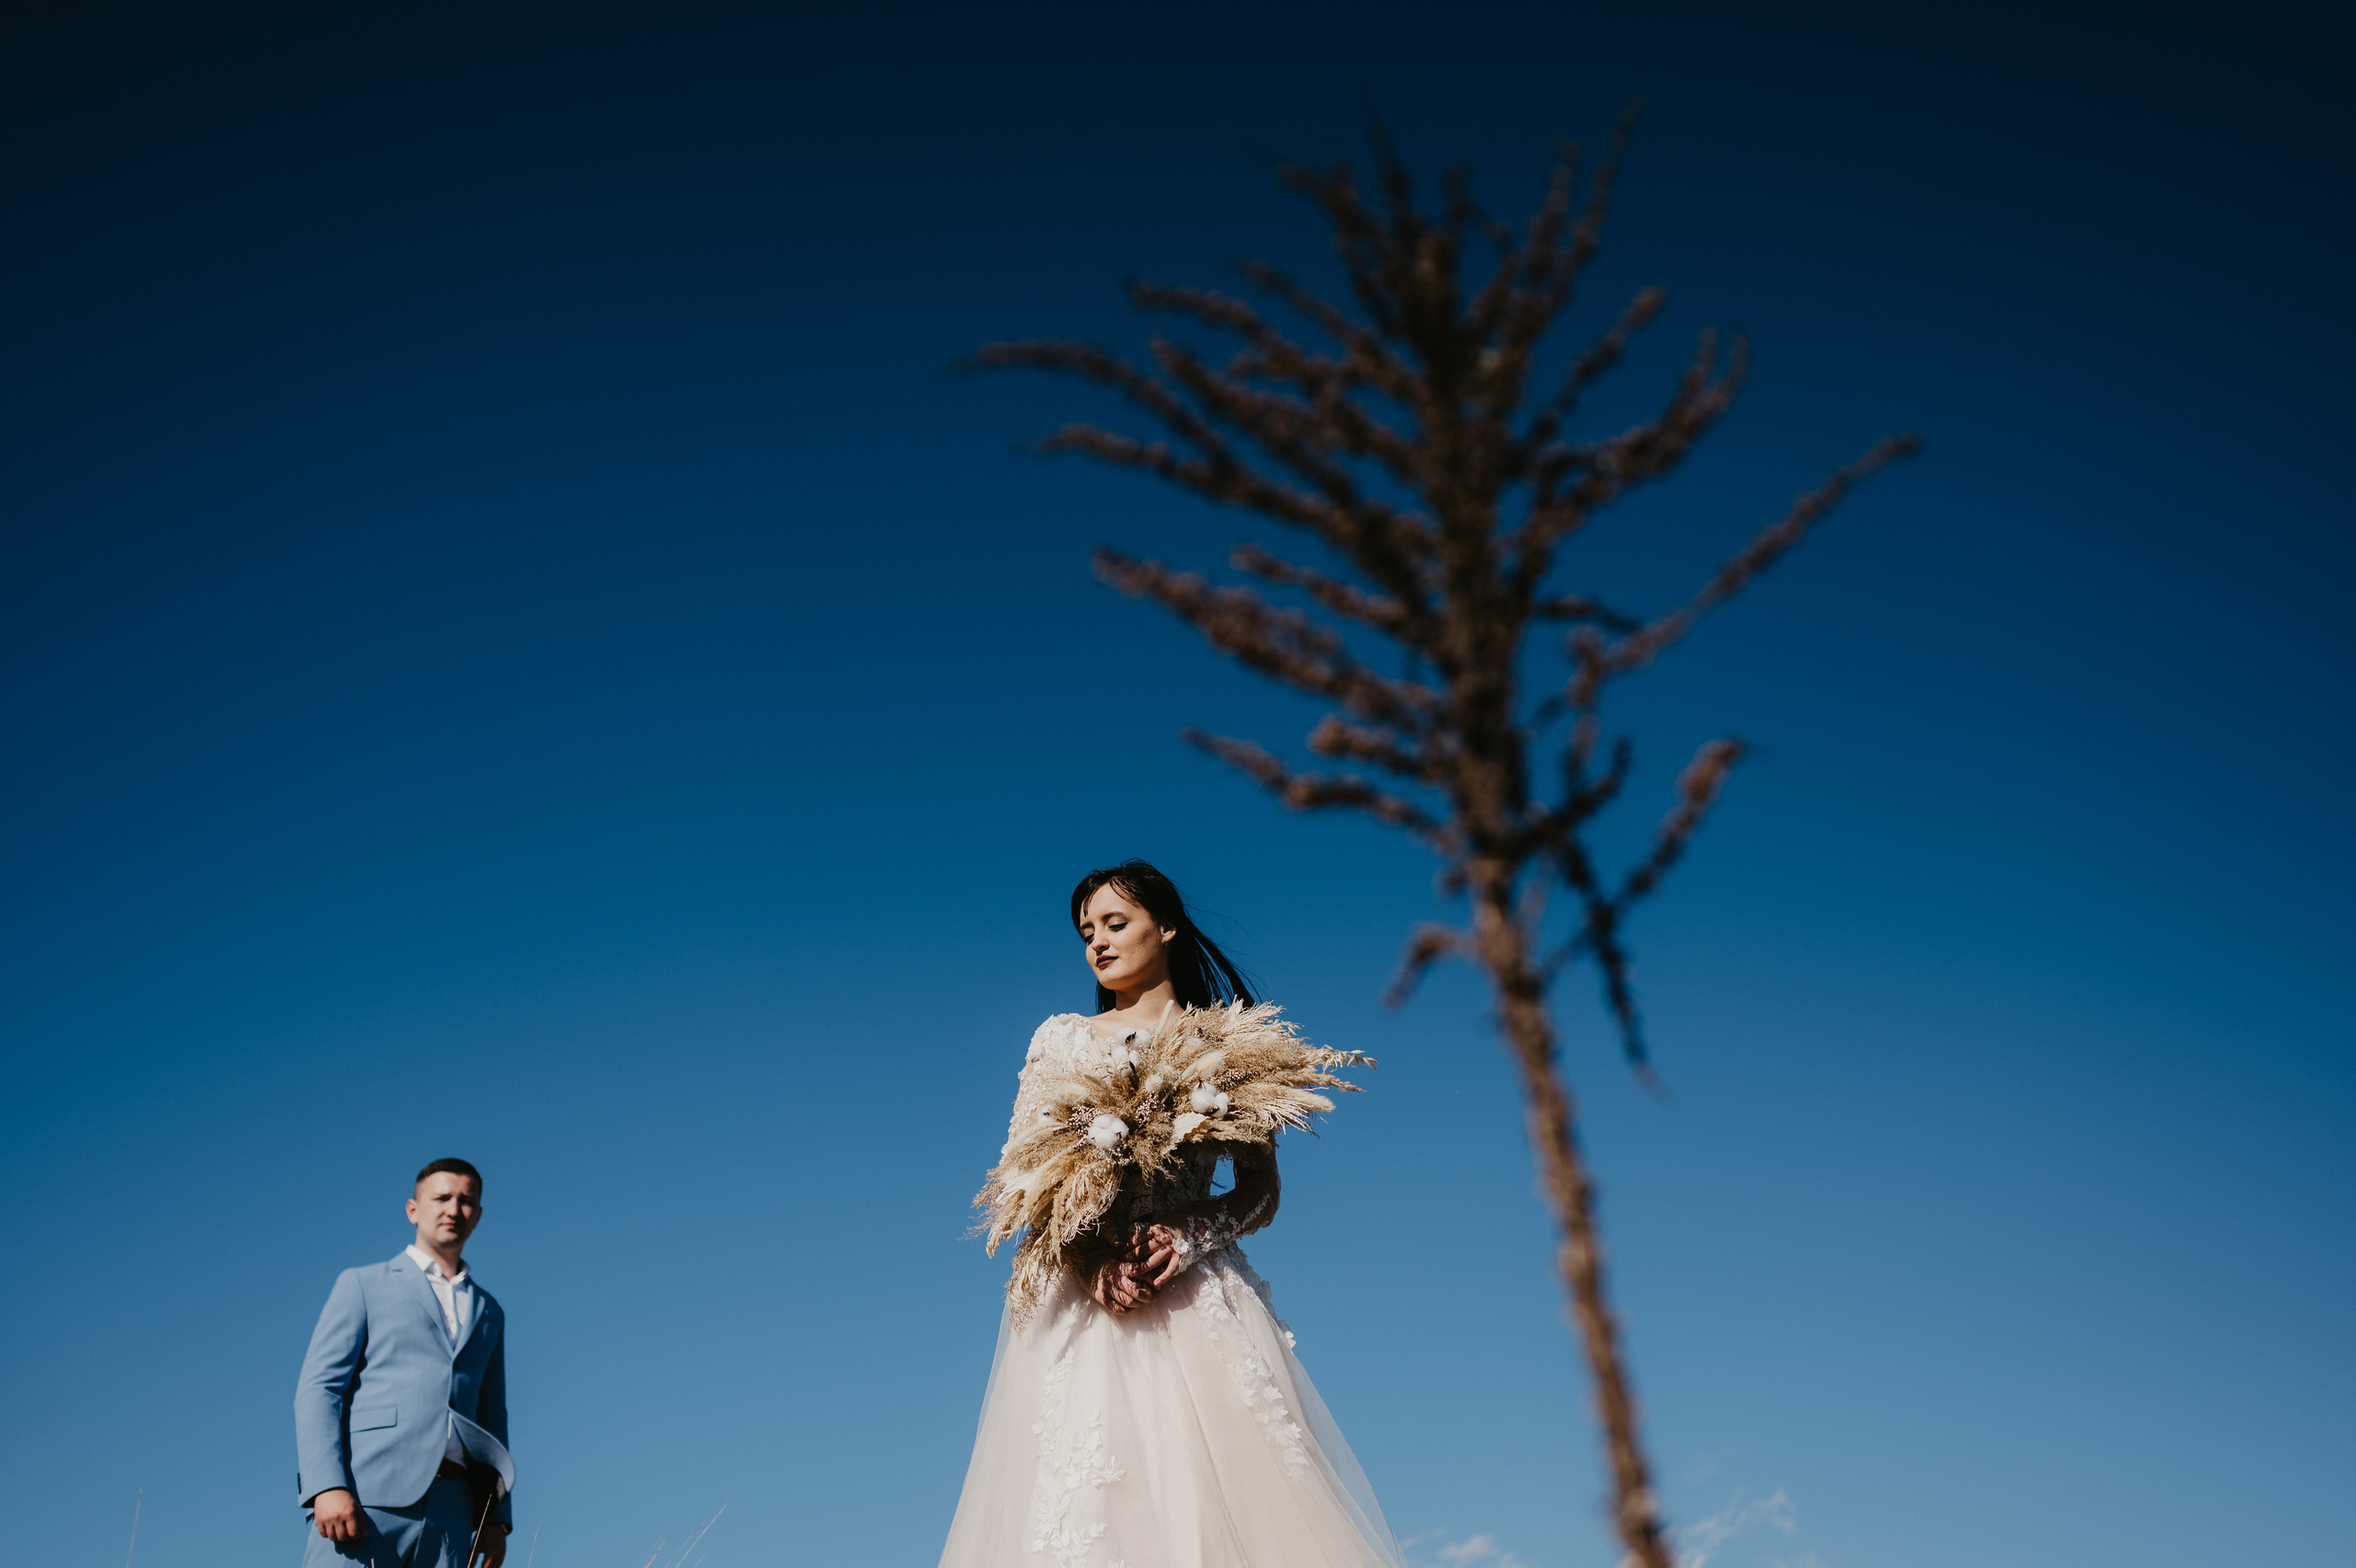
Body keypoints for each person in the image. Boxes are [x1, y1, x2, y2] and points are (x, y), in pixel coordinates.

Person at [938, 860, 1404, 1568]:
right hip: (1089, 1306)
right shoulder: (1061, 1039)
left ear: (1167, 926)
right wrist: (1090, 1261)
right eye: (1086, 931)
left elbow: (1261, 1191)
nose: (1096, 942)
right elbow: (1023, 1181)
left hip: (1199, 1300)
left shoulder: (1230, 1047)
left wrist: (1193, 1233)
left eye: (1115, 923)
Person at [294, 1159, 515, 1568]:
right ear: (413, 1209)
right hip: (366, 1499)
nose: (454, 1209)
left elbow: (492, 1418)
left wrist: (495, 1518)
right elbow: (319, 1390)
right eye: (442, 1198)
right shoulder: (362, 1284)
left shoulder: (490, 1312)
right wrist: (326, 1486)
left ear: (479, 1216)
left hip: (454, 1513)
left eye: (466, 1201)